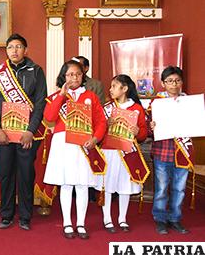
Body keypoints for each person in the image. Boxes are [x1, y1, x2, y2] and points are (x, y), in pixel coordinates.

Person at [0, 34, 47, 231]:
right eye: (11, 47)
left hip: (26, 136)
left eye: (18, 46)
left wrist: (31, 131)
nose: (14, 50)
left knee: (26, 175)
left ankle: (25, 216)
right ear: (6, 50)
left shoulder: (36, 71)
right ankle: (6, 215)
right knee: (5, 174)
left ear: (26, 50)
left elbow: (40, 104)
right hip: (3, 134)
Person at [43, 60, 106, 239]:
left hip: (84, 145)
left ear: (83, 76)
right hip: (63, 143)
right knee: (66, 184)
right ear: (64, 76)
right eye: (70, 74)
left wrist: (95, 138)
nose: (74, 78)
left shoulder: (91, 96)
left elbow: (101, 121)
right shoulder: (57, 95)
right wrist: (61, 96)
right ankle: (67, 223)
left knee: (82, 185)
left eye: (78, 74)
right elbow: (49, 117)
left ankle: (81, 223)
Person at [95, 74, 147, 233]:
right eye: (110, 86)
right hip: (109, 151)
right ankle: (107, 219)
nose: (110, 89)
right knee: (108, 186)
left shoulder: (136, 109)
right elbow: (98, 132)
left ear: (124, 89)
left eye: (114, 86)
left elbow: (144, 134)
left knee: (125, 186)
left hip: (127, 152)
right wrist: (106, 125)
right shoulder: (107, 107)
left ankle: (122, 218)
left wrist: (138, 132)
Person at [150, 66, 192, 235]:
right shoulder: (157, 102)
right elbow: (147, 126)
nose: (174, 84)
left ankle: (175, 218)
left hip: (183, 150)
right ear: (163, 83)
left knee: (179, 188)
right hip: (162, 151)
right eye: (170, 81)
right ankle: (160, 219)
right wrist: (151, 126)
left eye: (177, 80)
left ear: (182, 82)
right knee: (161, 187)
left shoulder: (189, 101)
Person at [74, 56, 106, 203]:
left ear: (86, 68)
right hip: (73, 129)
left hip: (91, 130)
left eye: (79, 67)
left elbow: (99, 108)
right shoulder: (66, 86)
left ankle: (91, 191)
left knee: (90, 161)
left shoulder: (96, 85)